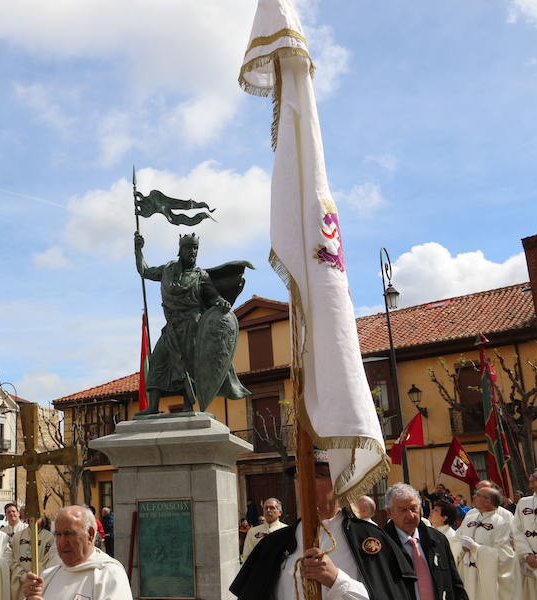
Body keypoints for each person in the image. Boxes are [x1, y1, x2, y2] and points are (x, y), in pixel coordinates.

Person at [230, 450, 415, 600]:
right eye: (298, 476)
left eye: (318, 476)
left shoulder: (369, 538)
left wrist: (336, 580)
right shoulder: (274, 543)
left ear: (339, 483)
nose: (305, 483)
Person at [133, 231, 250, 415]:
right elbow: (145, 271)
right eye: (189, 248)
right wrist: (138, 249)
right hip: (172, 327)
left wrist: (222, 302)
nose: (193, 252)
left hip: (192, 326)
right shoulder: (167, 270)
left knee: (189, 366)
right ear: (180, 250)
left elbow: (214, 297)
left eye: (196, 248)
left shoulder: (200, 276)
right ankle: (153, 406)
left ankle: (188, 404)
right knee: (158, 362)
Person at [22, 505, 132, 600]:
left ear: (90, 534)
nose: (62, 542)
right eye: (58, 534)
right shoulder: (47, 576)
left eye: (69, 533)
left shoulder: (109, 575)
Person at [382, 483, 468, 600]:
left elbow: (455, 584)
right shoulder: (382, 546)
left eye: (413, 509)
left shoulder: (438, 540)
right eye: (402, 510)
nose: (410, 516)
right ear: (389, 512)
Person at [454, 486, 514, 600]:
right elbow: (455, 540)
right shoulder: (468, 519)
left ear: (488, 501)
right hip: (466, 575)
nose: (473, 496)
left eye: (478, 495)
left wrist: (476, 548)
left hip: (486, 580)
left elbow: (505, 556)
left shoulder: (501, 523)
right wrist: (462, 548)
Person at [512, 467, 537, 599]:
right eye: (532, 476)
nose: (530, 479)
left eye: (536, 478)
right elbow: (517, 530)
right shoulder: (523, 502)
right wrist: (527, 554)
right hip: (527, 562)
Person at [10, 517, 59, 600]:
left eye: (37, 516)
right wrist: (23, 576)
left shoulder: (49, 538)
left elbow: (48, 562)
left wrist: (33, 576)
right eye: (30, 515)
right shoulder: (17, 537)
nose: (33, 518)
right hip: (19, 583)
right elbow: (12, 560)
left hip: (38, 583)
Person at [239, 498, 287, 563]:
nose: (268, 510)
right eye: (266, 508)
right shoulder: (253, 532)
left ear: (280, 512)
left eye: (272, 508)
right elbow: (247, 556)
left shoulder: (286, 530)